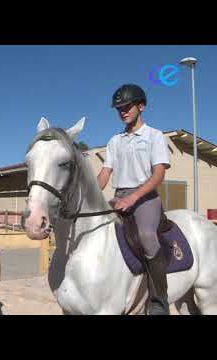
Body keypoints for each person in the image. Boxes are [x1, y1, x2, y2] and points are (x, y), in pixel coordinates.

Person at [97, 84, 171, 315]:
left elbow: (159, 174)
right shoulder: (114, 141)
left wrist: (134, 197)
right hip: (118, 196)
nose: (122, 111)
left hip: (145, 197)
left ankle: (159, 301)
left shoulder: (154, 136)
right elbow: (104, 174)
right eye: (119, 108)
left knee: (147, 236)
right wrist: (88, 195)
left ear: (141, 106)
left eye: (127, 106)